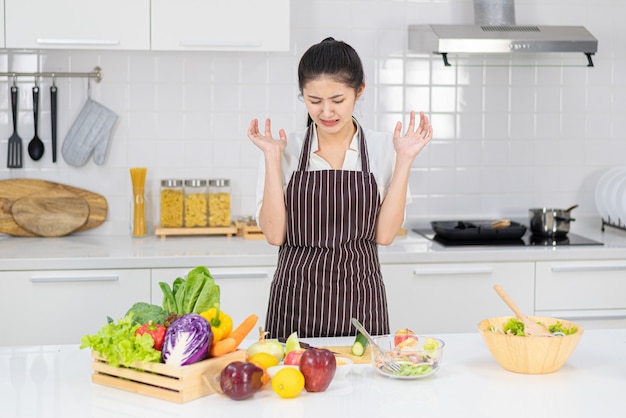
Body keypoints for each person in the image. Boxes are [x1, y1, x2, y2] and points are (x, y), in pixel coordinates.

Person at [247, 37, 433, 339]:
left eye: (337, 100)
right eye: (314, 101)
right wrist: (271, 158)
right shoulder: (283, 149)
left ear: (359, 91)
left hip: (361, 303)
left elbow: (384, 236)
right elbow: (274, 235)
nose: (326, 112)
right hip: (296, 303)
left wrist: (405, 160)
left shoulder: (384, 147)